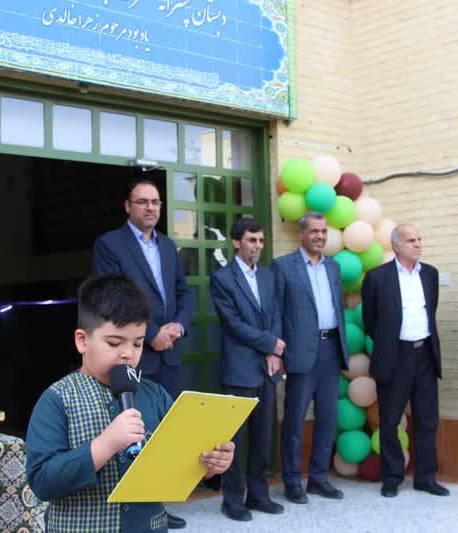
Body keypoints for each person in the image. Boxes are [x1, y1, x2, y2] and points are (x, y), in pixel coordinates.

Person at [25, 274, 234, 532]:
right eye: (114, 342)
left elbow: (178, 463)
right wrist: (104, 445)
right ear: (82, 341)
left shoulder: (155, 395)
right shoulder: (57, 399)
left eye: (138, 343)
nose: (128, 353)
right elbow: (42, 482)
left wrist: (210, 466)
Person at [93, 180, 195, 528]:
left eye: (155, 202)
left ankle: (157, 506)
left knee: (164, 431)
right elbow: (110, 297)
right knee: (133, 430)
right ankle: (128, 508)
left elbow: (184, 292)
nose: (150, 207)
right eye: (142, 202)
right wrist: (151, 335)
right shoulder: (110, 245)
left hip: (169, 354)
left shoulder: (167, 246)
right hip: (134, 355)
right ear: (128, 206)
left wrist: (179, 326)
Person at [361, 224, 448, 498]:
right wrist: (390, 343)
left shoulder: (430, 274)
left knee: (427, 419)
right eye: (411, 240)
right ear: (396, 246)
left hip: (425, 355)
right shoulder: (377, 278)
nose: (418, 244)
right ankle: (392, 477)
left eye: (419, 239)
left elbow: (430, 311)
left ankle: (426, 478)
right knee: (389, 420)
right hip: (395, 356)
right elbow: (370, 322)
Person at [209, 218, 285, 522]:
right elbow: (233, 324)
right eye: (252, 240)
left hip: (267, 368)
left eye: (261, 240)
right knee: (235, 440)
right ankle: (232, 499)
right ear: (237, 242)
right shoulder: (222, 279)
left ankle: (258, 494)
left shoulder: (268, 276)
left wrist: (274, 352)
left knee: (262, 436)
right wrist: (270, 344)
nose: (258, 246)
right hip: (239, 369)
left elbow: (275, 314)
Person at [273, 212, 349, 504]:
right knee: (294, 420)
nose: (320, 236)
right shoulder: (283, 266)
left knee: (328, 418)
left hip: (331, 349)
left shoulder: (333, 267)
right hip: (300, 352)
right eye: (314, 231)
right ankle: (292, 481)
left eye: (324, 231)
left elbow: (338, 309)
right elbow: (277, 312)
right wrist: (278, 352)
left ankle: (318, 478)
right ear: (302, 234)